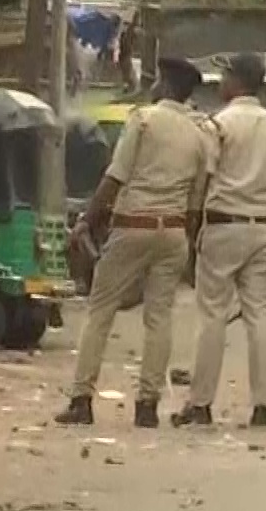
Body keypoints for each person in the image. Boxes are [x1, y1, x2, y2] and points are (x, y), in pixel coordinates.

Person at [56, 58, 210, 428]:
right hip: (174, 231)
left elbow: (115, 178)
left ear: (166, 85)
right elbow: (196, 197)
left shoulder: (144, 119)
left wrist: (86, 221)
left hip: (132, 225)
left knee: (100, 311)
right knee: (159, 318)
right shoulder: (198, 133)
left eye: (157, 80)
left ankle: (81, 398)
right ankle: (147, 405)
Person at [174, 53, 266, 429]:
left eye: (224, 76)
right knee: (258, 315)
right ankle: (264, 405)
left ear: (236, 80)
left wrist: (191, 232)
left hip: (223, 225)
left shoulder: (218, 125)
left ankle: (200, 404)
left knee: (212, 314)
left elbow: (203, 181)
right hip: (263, 228)